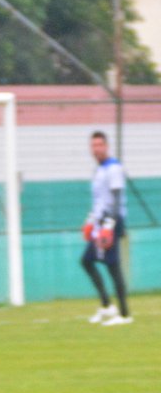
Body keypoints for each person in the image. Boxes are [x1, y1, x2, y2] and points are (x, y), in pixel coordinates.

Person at [81, 130, 131, 325]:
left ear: (107, 146)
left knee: (113, 267)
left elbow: (116, 199)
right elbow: (100, 201)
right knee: (87, 260)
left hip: (112, 221)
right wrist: (90, 220)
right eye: (94, 145)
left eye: (100, 145)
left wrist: (109, 226)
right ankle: (107, 306)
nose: (97, 149)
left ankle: (125, 315)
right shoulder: (99, 169)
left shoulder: (113, 168)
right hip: (100, 222)